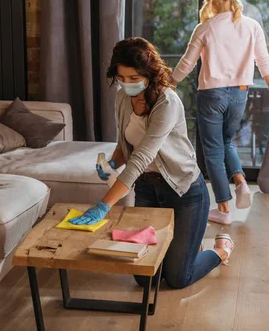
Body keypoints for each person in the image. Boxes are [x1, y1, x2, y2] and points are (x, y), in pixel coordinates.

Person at [70, 37, 233, 289]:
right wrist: (112, 163)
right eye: (121, 78)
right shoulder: (123, 98)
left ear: (149, 73)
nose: (126, 84)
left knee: (178, 278)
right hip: (147, 189)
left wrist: (103, 206)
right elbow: (128, 142)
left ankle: (220, 250)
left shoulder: (166, 102)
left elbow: (142, 157)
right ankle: (189, 247)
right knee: (147, 277)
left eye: (134, 78)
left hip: (184, 190)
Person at [170, 0, 269, 225]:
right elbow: (264, 63)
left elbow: (187, 64)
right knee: (226, 142)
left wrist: (168, 83)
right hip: (239, 94)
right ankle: (241, 182)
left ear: (211, 1)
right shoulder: (252, 26)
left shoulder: (205, 28)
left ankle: (223, 208)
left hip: (211, 94)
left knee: (212, 150)